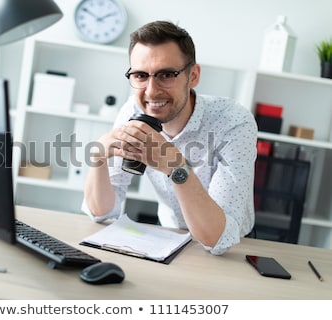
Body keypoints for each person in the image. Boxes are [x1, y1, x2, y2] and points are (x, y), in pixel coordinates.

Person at [81, 20, 257, 255]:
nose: (151, 91)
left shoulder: (234, 122)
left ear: (193, 76)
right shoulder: (132, 112)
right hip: (170, 240)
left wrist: (175, 166)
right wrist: (98, 156)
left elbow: (218, 238)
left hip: (232, 248)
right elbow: (102, 212)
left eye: (166, 75)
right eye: (141, 75)